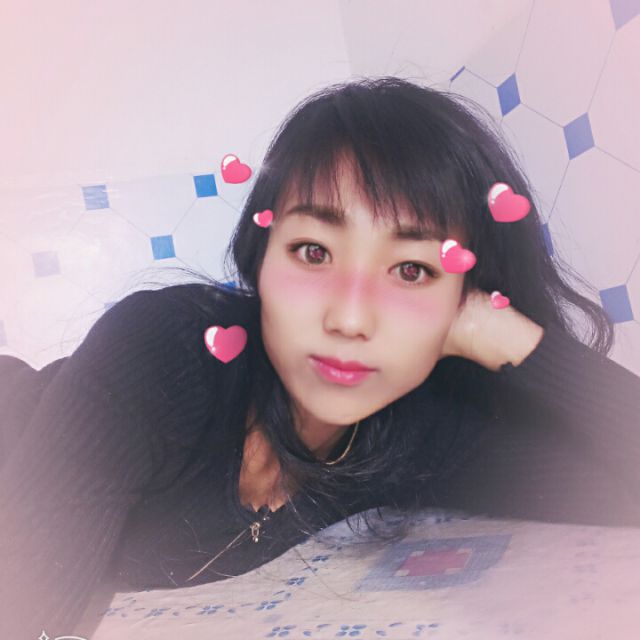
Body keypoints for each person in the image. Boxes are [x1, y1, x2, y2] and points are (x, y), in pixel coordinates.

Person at [1, 76, 639, 638]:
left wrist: (515, 340)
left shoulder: (414, 433)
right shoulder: (165, 355)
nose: (350, 318)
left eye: (411, 270)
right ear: (261, 260)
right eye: (313, 252)